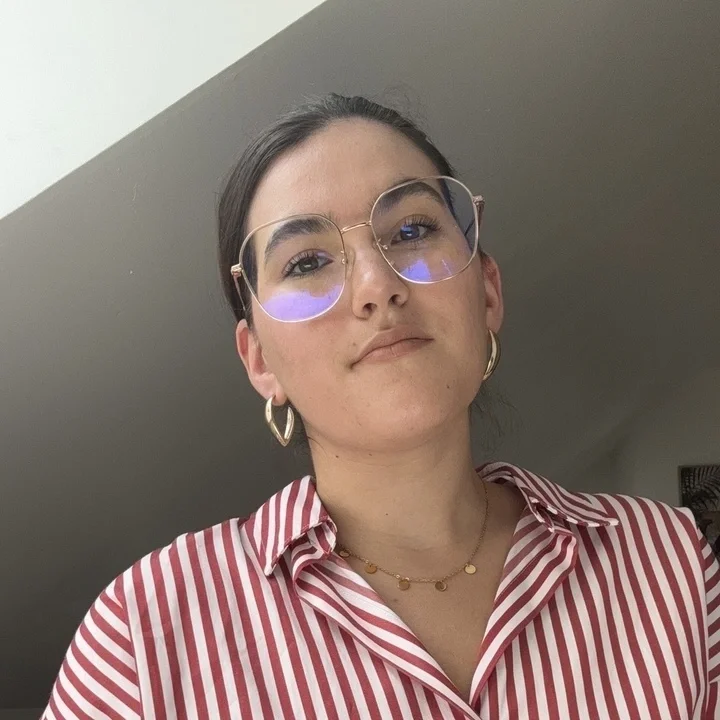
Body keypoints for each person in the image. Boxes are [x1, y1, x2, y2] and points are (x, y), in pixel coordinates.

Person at [43, 94, 720, 720]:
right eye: (306, 263)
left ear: (487, 293)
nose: (376, 285)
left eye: (412, 229)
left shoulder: (670, 563)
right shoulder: (144, 636)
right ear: (259, 360)